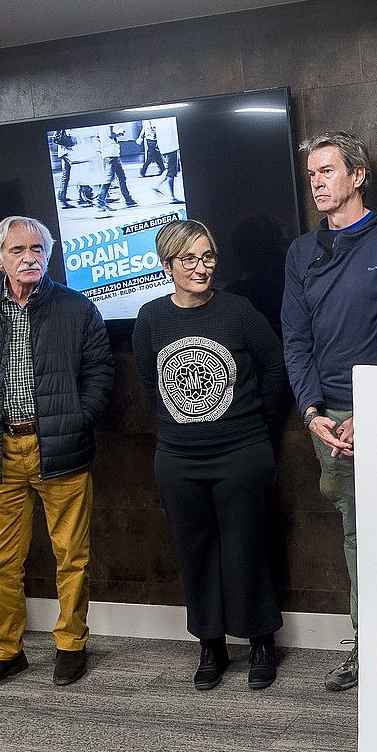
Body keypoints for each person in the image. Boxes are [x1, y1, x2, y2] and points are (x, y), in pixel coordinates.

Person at [280, 130, 377, 691]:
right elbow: (294, 339)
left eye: (327, 171)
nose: (317, 183)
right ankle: (369, 649)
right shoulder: (301, 252)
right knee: (356, 534)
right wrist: (314, 410)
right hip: (329, 420)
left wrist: (370, 412)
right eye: (312, 175)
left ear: (357, 176)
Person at [0, 216, 114, 697]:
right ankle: (4, 651)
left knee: (72, 555)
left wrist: (80, 418)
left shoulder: (77, 308)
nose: (30, 258)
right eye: (19, 249)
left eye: (38, 249)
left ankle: (71, 643)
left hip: (60, 449)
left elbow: (101, 372)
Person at [133, 219, 287, 691]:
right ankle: (211, 645)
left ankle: (261, 641)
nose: (201, 269)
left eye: (207, 257)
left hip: (241, 452)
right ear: (167, 265)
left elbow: (276, 367)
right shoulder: (151, 318)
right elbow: (147, 381)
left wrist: (258, 427)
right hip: (179, 459)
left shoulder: (239, 311)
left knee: (247, 547)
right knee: (195, 551)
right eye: (189, 260)